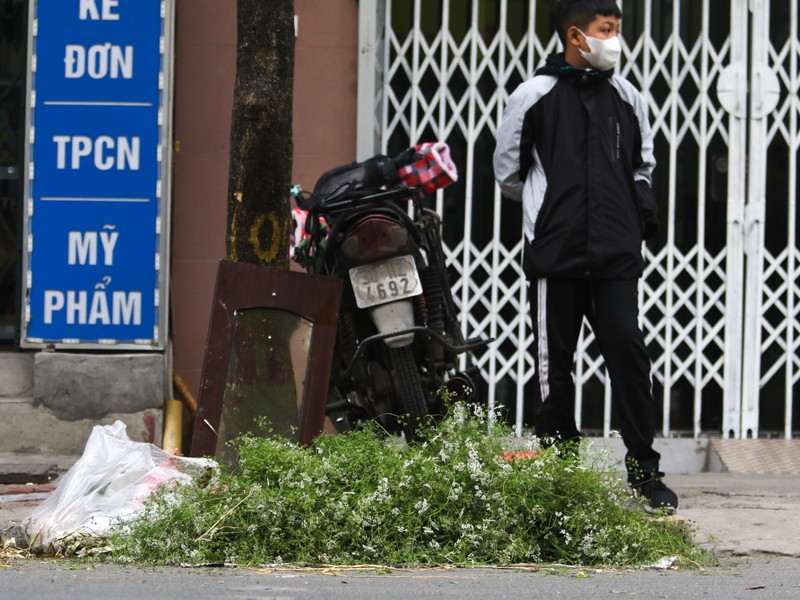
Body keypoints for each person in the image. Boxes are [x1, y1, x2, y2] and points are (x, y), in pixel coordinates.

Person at [492, 0, 678, 512]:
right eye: (607, 30)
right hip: (558, 251)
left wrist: (628, 218)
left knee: (628, 352)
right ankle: (559, 471)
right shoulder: (534, 95)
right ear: (577, 36)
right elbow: (508, 171)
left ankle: (646, 471)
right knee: (555, 366)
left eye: (617, 30)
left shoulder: (628, 98)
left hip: (616, 251)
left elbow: (644, 164)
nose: (615, 40)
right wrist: (552, 210)